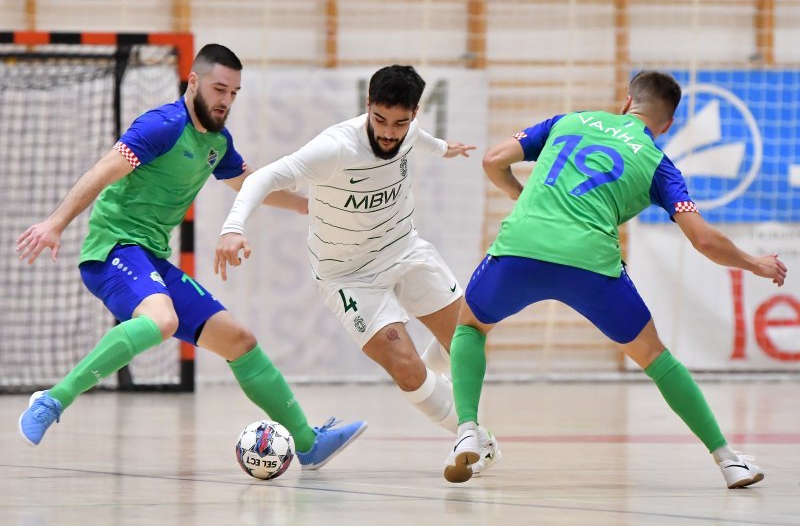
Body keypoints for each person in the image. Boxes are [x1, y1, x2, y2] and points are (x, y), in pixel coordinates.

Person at [16, 43, 367, 470]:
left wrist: (307, 204)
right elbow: (101, 171)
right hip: (113, 248)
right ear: (195, 81)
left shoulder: (218, 142)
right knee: (162, 321)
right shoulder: (163, 126)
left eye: (235, 93)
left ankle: (308, 443)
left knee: (240, 342)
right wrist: (55, 223)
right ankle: (53, 400)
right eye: (220, 89)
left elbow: (250, 183)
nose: (226, 101)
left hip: (153, 259)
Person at [441, 70, 787, 486]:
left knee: (471, 327)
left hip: (520, 250)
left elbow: (492, 160)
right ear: (667, 125)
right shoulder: (659, 163)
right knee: (656, 358)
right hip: (591, 264)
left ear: (626, 102)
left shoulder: (568, 121)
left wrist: (523, 199)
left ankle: (466, 434)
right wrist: (755, 263)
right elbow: (704, 241)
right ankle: (728, 460)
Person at [215, 64, 500, 474]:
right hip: (347, 274)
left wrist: (445, 149)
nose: (388, 132)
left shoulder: (407, 133)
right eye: (380, 119)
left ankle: (437, 375)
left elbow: (421, 140)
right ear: (367, 106)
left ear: (414, 114)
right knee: (405, 368)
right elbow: (263, 178)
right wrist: (232, 227)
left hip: (404, 249)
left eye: (400, 122)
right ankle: (474, 436)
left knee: (468, 340)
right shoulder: (334, 148)